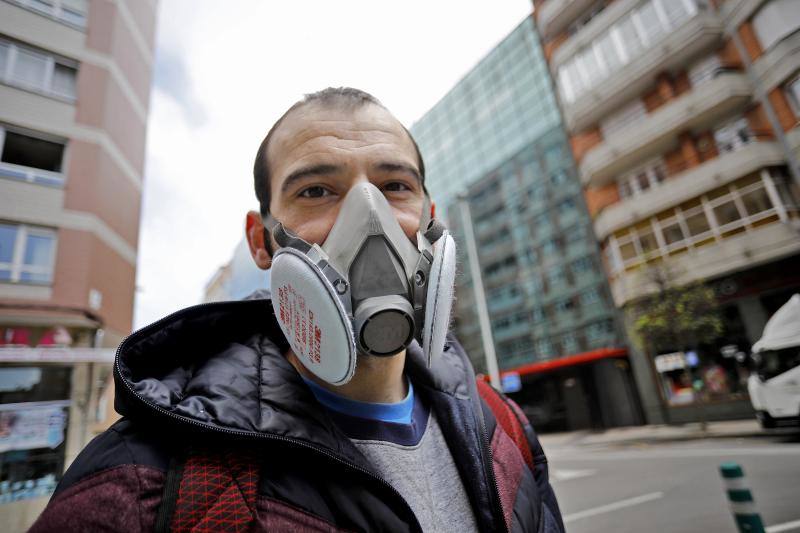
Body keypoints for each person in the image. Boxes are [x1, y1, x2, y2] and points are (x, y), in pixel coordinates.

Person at [30, 87, 564, 532]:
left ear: (429, 216)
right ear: (262, 241)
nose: (368, 217)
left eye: (395, 186)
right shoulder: (142, 481)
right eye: (316, 190)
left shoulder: (500, 427)